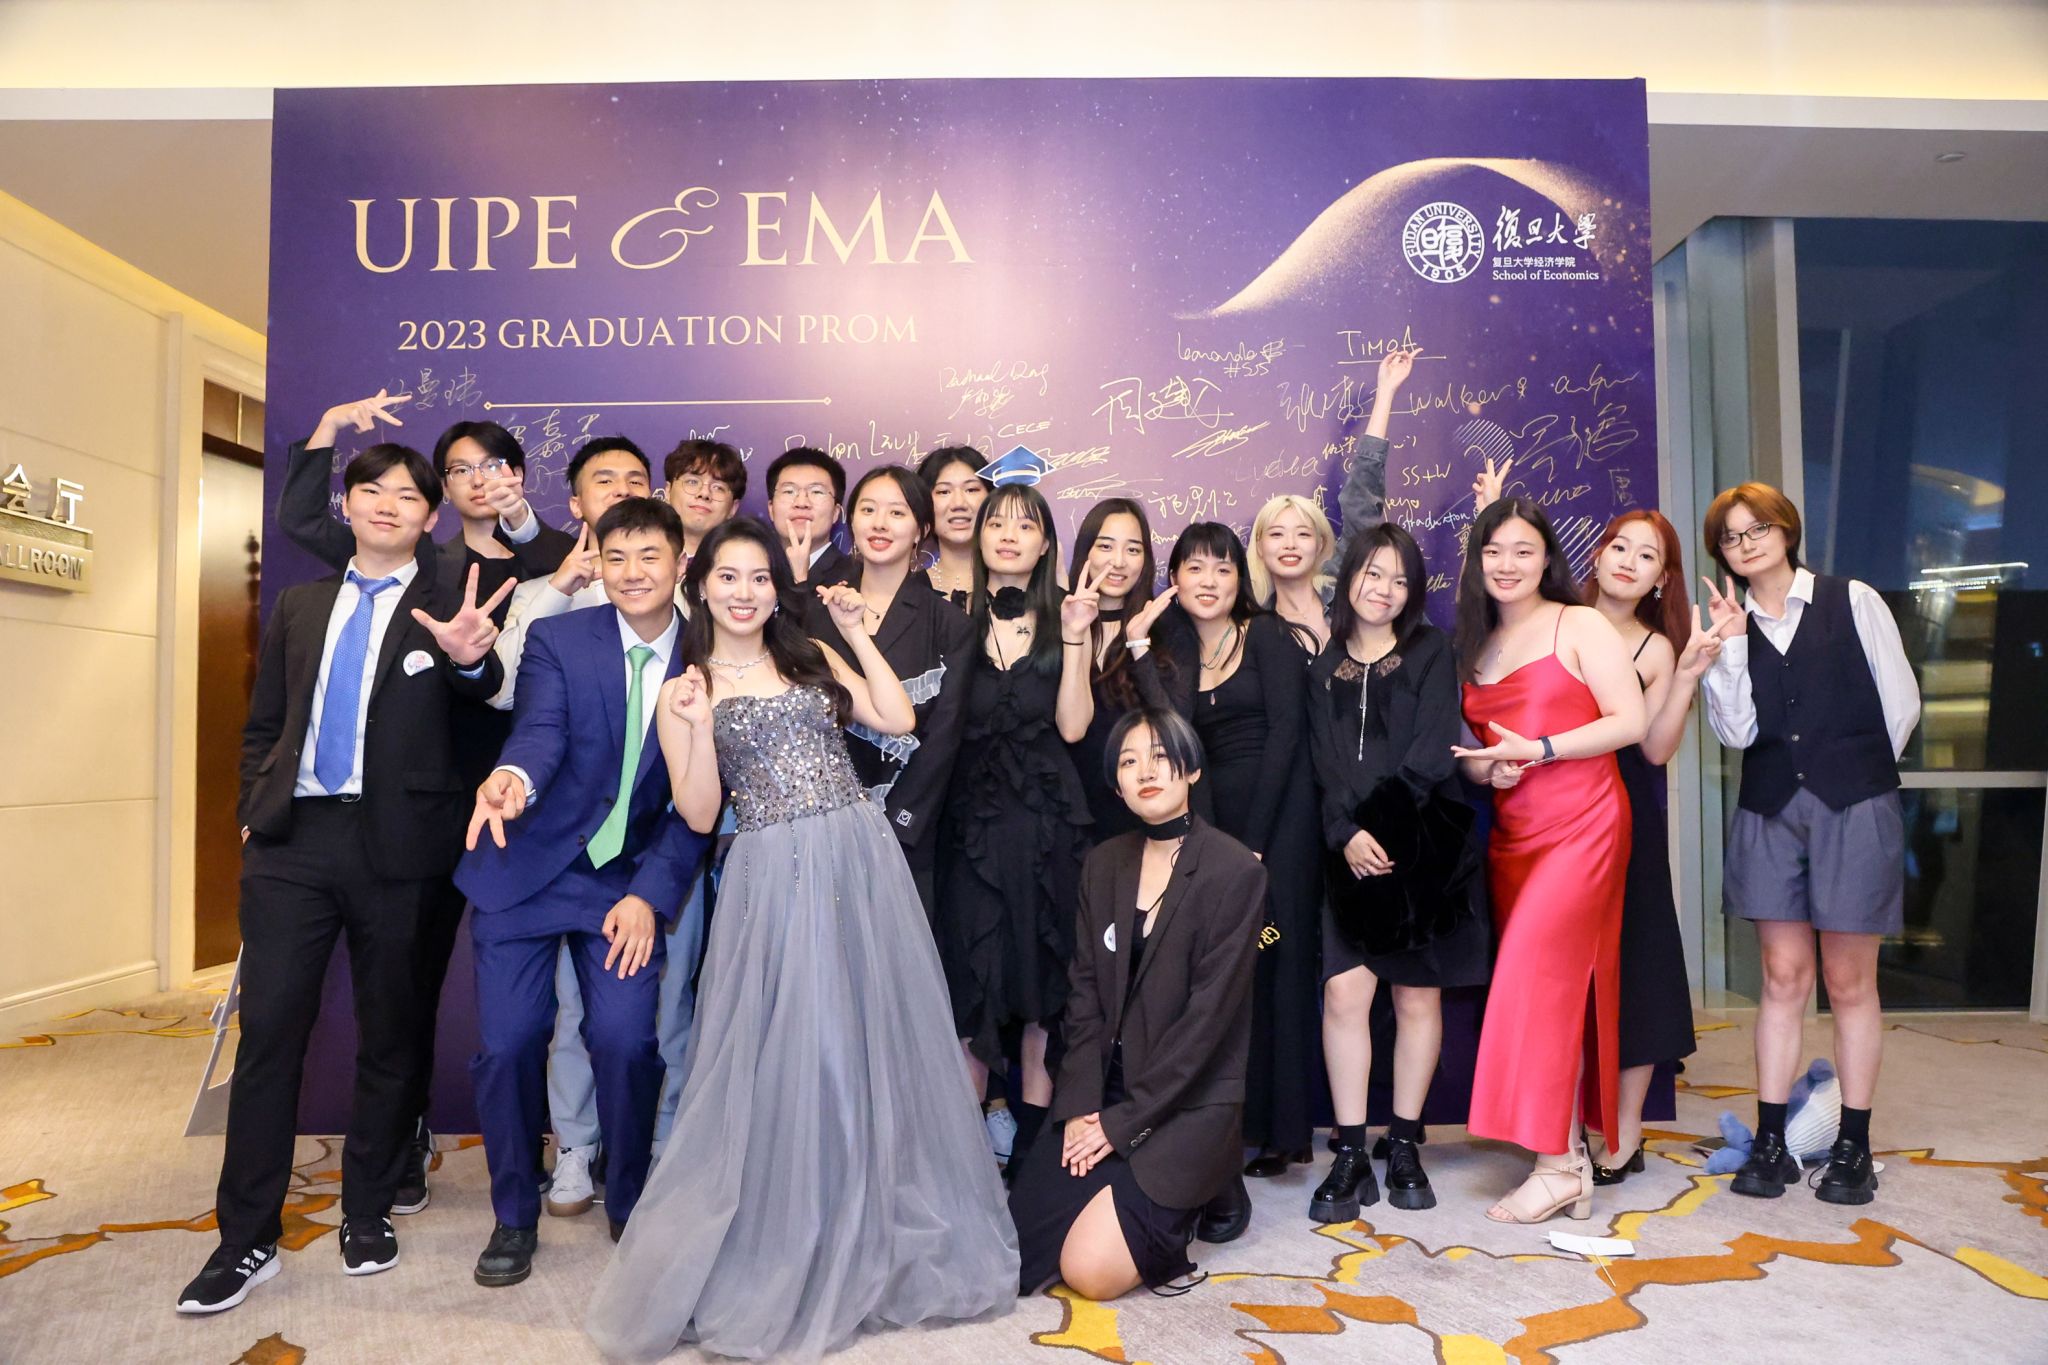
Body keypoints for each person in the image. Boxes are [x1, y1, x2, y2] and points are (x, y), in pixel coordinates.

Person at [587, 517, 1017, 1360]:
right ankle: (802, 1226)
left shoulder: (809, 653)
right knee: (794, 1047)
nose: (744, 592)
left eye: (758, 577)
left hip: (858, 857)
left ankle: (870, 1213)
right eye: (727, 577)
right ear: (700, 585)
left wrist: (856, 632)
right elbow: (700, 814)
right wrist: (697, 725)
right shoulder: (687, 688)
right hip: (772, 875)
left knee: (866, 1037)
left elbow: (897, 716)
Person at [175, 441, 508, 1315]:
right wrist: (254, 805)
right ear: (349, 505)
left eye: (409, 495)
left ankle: (366, 1208)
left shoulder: (450, 601)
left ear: (430, 517)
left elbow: (484, 694)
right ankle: (245, 1238)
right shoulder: (300, 603)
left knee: (391, 1033)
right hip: (293, 845)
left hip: (401, 846)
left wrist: (470, 658)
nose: (388, 504)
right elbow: (264, 723)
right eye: (372, 490)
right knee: (269, 1036)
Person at [273, 396, 571, 1212]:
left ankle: (537, 1139)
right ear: (438, 493)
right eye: (460, 469)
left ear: (519, 475)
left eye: (493, 466)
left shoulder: (546, 556)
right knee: (410, 980)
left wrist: (522, 520)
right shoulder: (415, 560)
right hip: (428, 804)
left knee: (528, 993)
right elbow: (304, 518)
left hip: (525, 795)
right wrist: (327, 430)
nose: (479, 480)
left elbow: (565, 559)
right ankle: (403, 1136)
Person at [455, 496, 712, 1287]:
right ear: (597, 561)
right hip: (527, 863)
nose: (631, 572)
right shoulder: (561, 638)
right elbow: (540, 731)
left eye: (649, 555)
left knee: (627, 1041)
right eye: (615, 555)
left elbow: (698, 803)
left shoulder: (710, 656)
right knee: (509, 1042)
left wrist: (651, 894)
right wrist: (512, 777)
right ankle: (512, 1214)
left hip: (626, 880)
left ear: (681, 563)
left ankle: (627, 1198)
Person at [1698, 482, 1919, 1205]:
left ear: (1786, 529)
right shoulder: (1730, 625)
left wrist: (1853, 776)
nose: (1746, 543)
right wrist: (1730, 648)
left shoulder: (1852, 600)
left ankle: (1853, 1144)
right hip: (1769, 811)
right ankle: (1771, 1141)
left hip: (1853, 804)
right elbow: (1735, 732)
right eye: (1731, 537)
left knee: (1850, 981)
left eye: (1757, 528)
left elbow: (1900, 705)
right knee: (1782, 977)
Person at [1011, 708, 1266, 1300]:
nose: (1146, 771)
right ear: (1117, 785)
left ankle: (1207, 1186)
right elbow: (1083, 997)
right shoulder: (1104, 864)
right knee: (1014, 1253)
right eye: (1129, 762)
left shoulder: (1235, 871)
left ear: (1192, 769)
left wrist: (1123, 1123)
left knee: (1091, 1273)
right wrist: (1080, 1106)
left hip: (1187, 1102)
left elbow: (1206, 1027)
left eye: (1160, 756)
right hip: (1105, 1089)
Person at [1452, 497, 1646, 1223]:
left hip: (1585, 824)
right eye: (1493, 550)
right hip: (1513, 836)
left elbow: (1631, 720)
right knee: (1550, 993)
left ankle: (1559, 1165)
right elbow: (1470, 756)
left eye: (1523, 550)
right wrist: (1489, 770)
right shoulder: (1472, 644)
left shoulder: (1579, 623)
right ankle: (1566, 1158)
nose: (1507, 564)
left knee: (1534, 977)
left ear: (1547, 559)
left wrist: (1538, 749)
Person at [1304, 524, 1491, 1223]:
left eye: (1400, 579)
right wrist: (1345, 834)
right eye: (1372, 573)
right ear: (1349, 575)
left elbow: (1431, 754)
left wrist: (1376, 830)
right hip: (1347, 856)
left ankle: (1405, 1141)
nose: (1383, 589)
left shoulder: (1430, 651)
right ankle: (1351, 1149)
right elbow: (1322, 765)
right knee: (1345, 994)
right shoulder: (1322, 666)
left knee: (1416, 999)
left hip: (1423, 853)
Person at [937, 482, 1094, 1172]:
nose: (1007, 535)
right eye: (995, 522)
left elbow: (1074, 726)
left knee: (1040, 987)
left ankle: (1031, 1156)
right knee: (971, 985)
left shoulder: (1068, 616)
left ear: (1045, 542)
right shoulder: (950, 616)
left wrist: (1078, 635)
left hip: (1044, 828)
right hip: (968, 827)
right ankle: (965, 1160)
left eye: (1024, 525)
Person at [1162, 523, 1322, 1192]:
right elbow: (1175, 741)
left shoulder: (1268, 636)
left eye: (1223, 568)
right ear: (1174, 578)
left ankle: (1287, 1131)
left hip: (1280, 823)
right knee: (1226, 973)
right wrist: (1214, 838)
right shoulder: (1170, 647)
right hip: (1212, 826)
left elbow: (1286, 734)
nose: (1209, 581)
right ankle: (1237, 1122)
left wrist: (1253, 839)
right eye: (1195, 568)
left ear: (1241, 578)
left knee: (1277, 959)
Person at [1576, 510, 1725, 1184]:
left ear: (1661, 577)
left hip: (1625, 815)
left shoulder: (1656, 648)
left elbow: (1656, 749)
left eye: (1646, 556)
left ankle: (1625, 1132)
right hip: (1550, 815)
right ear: (1598, 554)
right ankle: (1562, 1129)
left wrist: (1687, 673)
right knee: (1565, 981)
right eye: (1619, 546)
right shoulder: (1555, 621)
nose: (1628, 561)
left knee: (1636, 972)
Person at [805, 464, 977, 916]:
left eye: (897, 513)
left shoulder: (949, 624)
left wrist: (893, 827)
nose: (879, 524)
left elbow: (942, 742)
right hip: (815, 830)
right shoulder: (813, 612)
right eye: (868, 510)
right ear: (851, 521)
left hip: (902, 839)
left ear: (921, 530)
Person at [1059, 498, 1195, 839]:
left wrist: (1138, 645)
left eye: (1133, 549)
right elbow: (1068, 729)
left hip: (1142, 816)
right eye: (1106, 546)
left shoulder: (1168, 628)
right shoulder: (1058, 621)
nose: (1118, 562)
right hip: (1066, 810)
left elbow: (1177, 728)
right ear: (1085, 552)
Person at [1248, 493, 1338, 652]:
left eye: (1303, 534)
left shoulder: (1347, 601)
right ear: (1259, 546)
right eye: (1277, 534)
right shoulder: (1253, 628)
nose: (1290, 544)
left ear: (1320, 544)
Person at [917, 443, 993, 608]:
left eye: (971, 489)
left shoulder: (1017, 584)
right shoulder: (908, 591)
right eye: (943, 491)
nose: (959, 504)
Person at [764, 445, 849, 589]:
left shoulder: (855, 578)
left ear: (836, 512)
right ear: (771, 509)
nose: (801, 503)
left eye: (816, 492)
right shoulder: (753, 570)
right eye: (789, 491)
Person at [662, 437, 745, 567]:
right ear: (668, 491)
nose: (704, 493)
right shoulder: (638, 554)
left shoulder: (741, 567)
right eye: (692, 482)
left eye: (718, 487)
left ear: (733, 508)